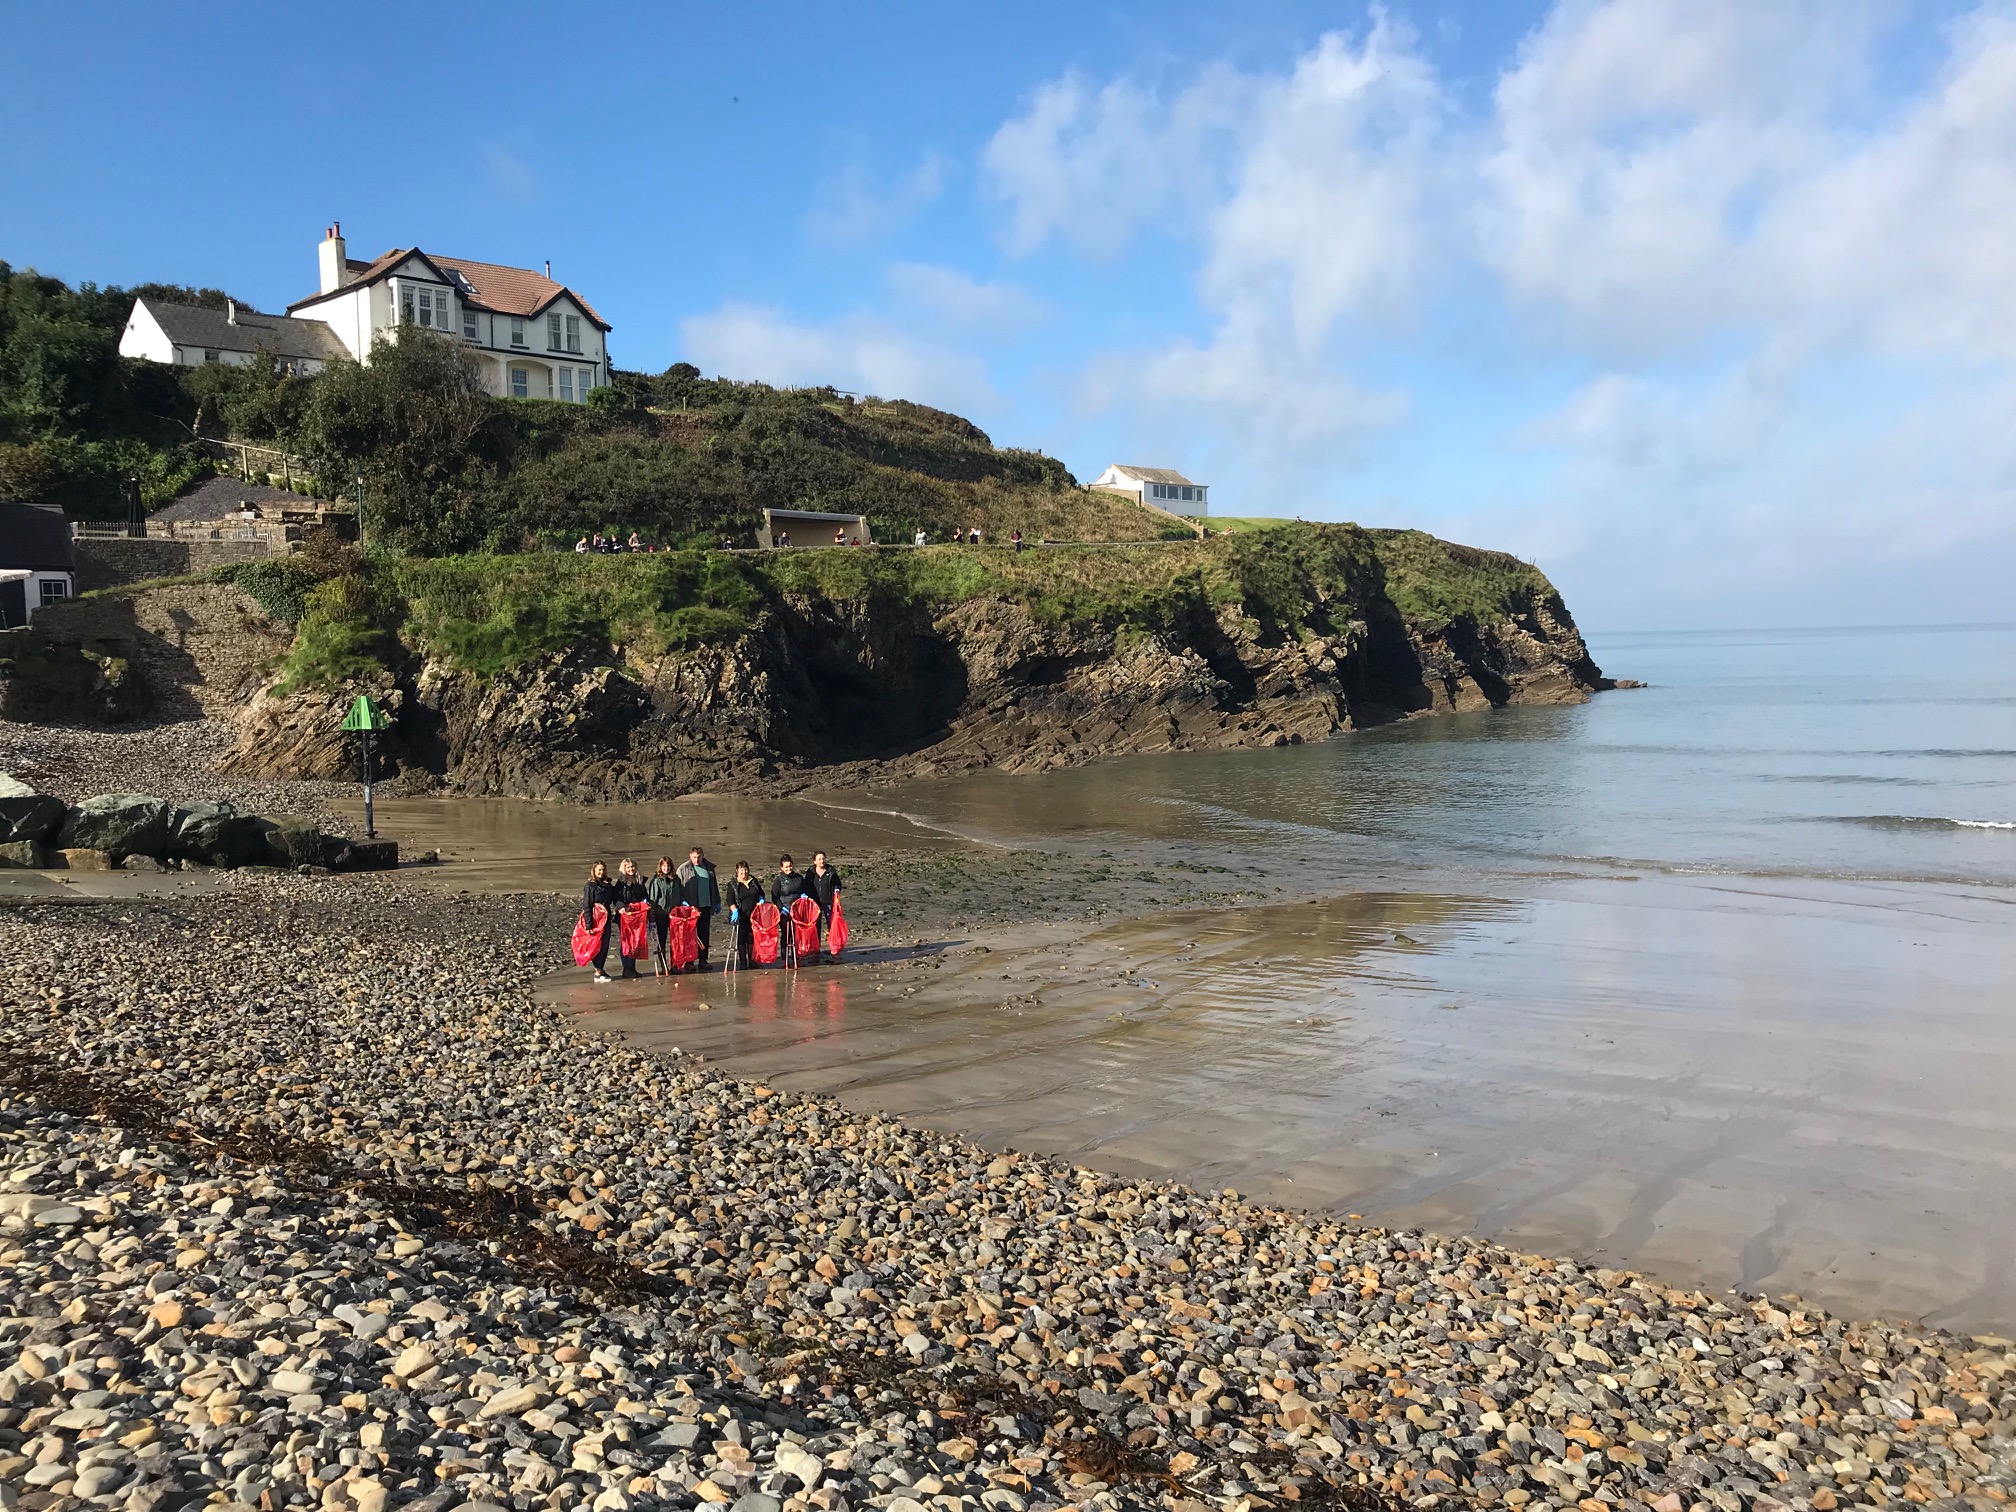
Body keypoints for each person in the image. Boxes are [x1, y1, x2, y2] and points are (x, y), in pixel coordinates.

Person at [676, 846, 721, 967]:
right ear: (690, 856)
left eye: (699, 857)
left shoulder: (709, 868)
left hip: (706, 905)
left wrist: (717, 901)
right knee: (690, 935)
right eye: (694, 857)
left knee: (704, 933)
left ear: (703, 856)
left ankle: (703, 960)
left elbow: (714, 886)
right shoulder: (683, 869)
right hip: (691, 908)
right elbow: (678, 888)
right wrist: (682, 902)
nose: (697, 859)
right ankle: (689, 961)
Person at [580, 861, 620, 983]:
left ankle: (600, 969)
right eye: (599, 870)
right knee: (595, 945)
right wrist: (589, 925)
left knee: (605, 945)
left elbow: (615, 898)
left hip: (606, 919)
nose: (601, 872)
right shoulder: (590, 886)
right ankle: (597, 971)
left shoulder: (608, 885)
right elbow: (586, 906)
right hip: (595, 919)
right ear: (594, 871)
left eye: (603, 870)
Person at [611, 857, 648, 978]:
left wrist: (645, 902)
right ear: (624, 868)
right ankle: (626, 968)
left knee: (636, 942)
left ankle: (632, 968)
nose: (631, 869)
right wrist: (620, 907)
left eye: (633, 867)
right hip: (625, 916)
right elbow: (615, 898)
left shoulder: (640, 882)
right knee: (626, 942)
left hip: (638, 916)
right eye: (628, 867)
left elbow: (644, 896)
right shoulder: (620, 883)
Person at [723, 861, 764, 965]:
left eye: (745, 869)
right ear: (737, 871)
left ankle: (752, 960)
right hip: (740, 915)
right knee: (741, 939)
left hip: (754, 915)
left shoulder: (753, 881)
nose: (744, 872)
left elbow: (761, 893)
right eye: (741, 869)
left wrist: (761, 899)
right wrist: (734, 910)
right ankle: (743, 962)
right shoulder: (733, 884)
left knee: (751, 938)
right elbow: (730, 900)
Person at [646, 856, 681, 976]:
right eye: (664, 866)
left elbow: (681, 895)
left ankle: (675, 965)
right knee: (661, 940)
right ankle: (663, 966)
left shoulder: (676, 880)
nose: (666, 868)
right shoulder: (656, 881)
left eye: (668, 866)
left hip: (675, 915)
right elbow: (653, 901)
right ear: (660, 867)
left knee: (676, 941)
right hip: (661, 914)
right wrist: (652, 917)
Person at [806, 850, 842, 961]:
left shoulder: (831, 871)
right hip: (815, 904)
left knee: (832, 926)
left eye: (823, 858)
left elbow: (838, 883)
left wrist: (836, 889)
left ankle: (834, 949)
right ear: (814, 861)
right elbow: (806, 886)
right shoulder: (810, 872)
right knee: (816, 928)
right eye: (819, 859)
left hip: (828, 903)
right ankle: (816, 950)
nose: (822, 861)